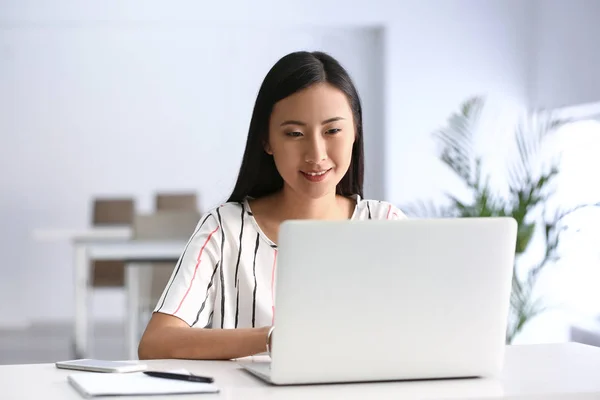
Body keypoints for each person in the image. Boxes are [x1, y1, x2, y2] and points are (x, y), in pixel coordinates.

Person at [138, 51, 406, 360]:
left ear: (356, 131)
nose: (316, 154)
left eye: (333, 131)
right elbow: (156, 342)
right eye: (294, 134)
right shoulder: (225, 229)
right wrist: (273, 338)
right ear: (266, 140)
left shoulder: (387, 224)